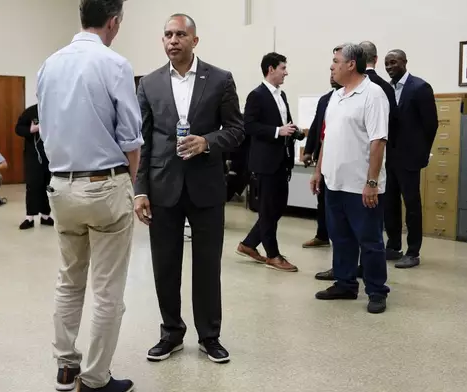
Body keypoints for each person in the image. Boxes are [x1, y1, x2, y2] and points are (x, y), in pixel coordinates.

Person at [37, 1, 143, 391]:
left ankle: (66, 367)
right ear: (113, 22)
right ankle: (96, 379)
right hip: (104, 184)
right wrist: (127, 182)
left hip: (61, 186)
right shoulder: (114, 64)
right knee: (107, 289)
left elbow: (45, 127)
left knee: (69, 280)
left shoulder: (49, 64)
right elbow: (131, 138)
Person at [134, 13, 244, 364]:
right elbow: (144, 141)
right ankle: (171, 333)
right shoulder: (149, 84)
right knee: (165, 265)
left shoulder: (220, 80)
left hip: (206, 187)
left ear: (194, 40)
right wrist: (139, 190)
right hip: (162, 186)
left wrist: (208, 141)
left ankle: (209, 336)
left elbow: (237, 129)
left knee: (207, 266)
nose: (173, 40)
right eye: (167, 34)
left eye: (180, 34)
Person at [310, 43, 390, 314]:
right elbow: (326, 138)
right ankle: (345, 284)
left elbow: (378, 141)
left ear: (351, 64)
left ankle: (377, 291)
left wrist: (372, 183)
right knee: (340, 238)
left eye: (335, 61)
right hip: (334, 183)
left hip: (360, 186)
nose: (331, 67)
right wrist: (319, 170)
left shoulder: (373, 94)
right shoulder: (336, 97)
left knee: (369, 241)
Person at [236, 52, 298, 272]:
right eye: (283, 68)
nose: (286, 72)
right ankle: (273, 255)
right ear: (271, 69)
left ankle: (248, 244)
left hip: (282, 162)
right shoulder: (257, 95)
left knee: (277, 208)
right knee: (268, 210)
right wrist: (277, 131)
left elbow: (285, 124)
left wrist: (294, 132)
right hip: (265, 163)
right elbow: (249, 126)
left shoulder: (281, 96)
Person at [384, 49, 438, 269]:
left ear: (405, 62)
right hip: (390, 156)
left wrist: (422, 153)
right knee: (390, 203)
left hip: (410, 157)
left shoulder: (420, 87)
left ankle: (413, 251)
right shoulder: (386, 89)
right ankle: (394, 245)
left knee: (412, 204)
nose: (389, 67)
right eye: (386, 63)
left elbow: (431, 124)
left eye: (393, 62)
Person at [301, 76, 341, 253]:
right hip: (324, 157)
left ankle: (341, 238)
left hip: (341, 158)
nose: (332, 76)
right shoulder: (325, 99)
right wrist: (309, 151)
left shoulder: (349, 98)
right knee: (322, 198)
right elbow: (317, 126)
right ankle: (322, 235)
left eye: (335, 70)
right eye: (330, 72)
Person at [15, 104, 54, 229]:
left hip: (52, 155)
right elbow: (18, 129)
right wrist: (31, 130)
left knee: (48, 185)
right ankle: (30, 217)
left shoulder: (56, 108)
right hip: (33, 155)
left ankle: (46, 216)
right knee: (33, 185)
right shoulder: (31, 111)